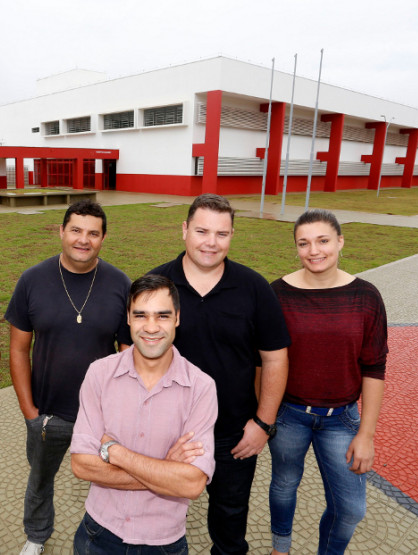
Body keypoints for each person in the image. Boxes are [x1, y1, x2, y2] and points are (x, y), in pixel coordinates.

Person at [150, 193, 290, 554]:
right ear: (184, 230)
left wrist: (263, 424)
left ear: (232, 236)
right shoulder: (155, 286)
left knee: (230, 524)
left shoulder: (254, 288)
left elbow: (275, 359)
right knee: (155, 516)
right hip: (169, 433)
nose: (211, 242)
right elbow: (130, 354)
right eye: (202, 231)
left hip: (234, 436)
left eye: (222, 234)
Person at [5, 199, 131, 555]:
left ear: (103, 238)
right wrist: (29, 411)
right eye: (75, 230)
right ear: (61, 232)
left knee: (106, 482)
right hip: (48, 413)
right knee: (40, 480)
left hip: (102, 415)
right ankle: (36, 535)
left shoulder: (120, 283)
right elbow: (18, 349)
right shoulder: (32, 280)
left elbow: (127, 353)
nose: (83, 240)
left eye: (93, 233)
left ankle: (104, 538)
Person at [268, 208, 388, 555]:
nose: (314, 250)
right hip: (289, 415)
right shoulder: (278, 293)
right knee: (284, 485)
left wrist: (366, 434)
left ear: (340, 241)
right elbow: (265, 358)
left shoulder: (365, 296)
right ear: (295, 248)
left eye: (322, 240)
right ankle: (280, 548)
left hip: (342, 420)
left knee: (351, 508)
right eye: (303, 243)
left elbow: (375, 367)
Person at [69, 274, 218, 552]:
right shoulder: (99, 374)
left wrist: (115, 452)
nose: (151, 327)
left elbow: (192, 483)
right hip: (99, 532)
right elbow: (81, 465)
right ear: (128, 318)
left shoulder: (201, 388)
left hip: (164, 542)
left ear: (177, 318)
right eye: (141, 315)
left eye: (162, 316)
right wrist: (164, 470)